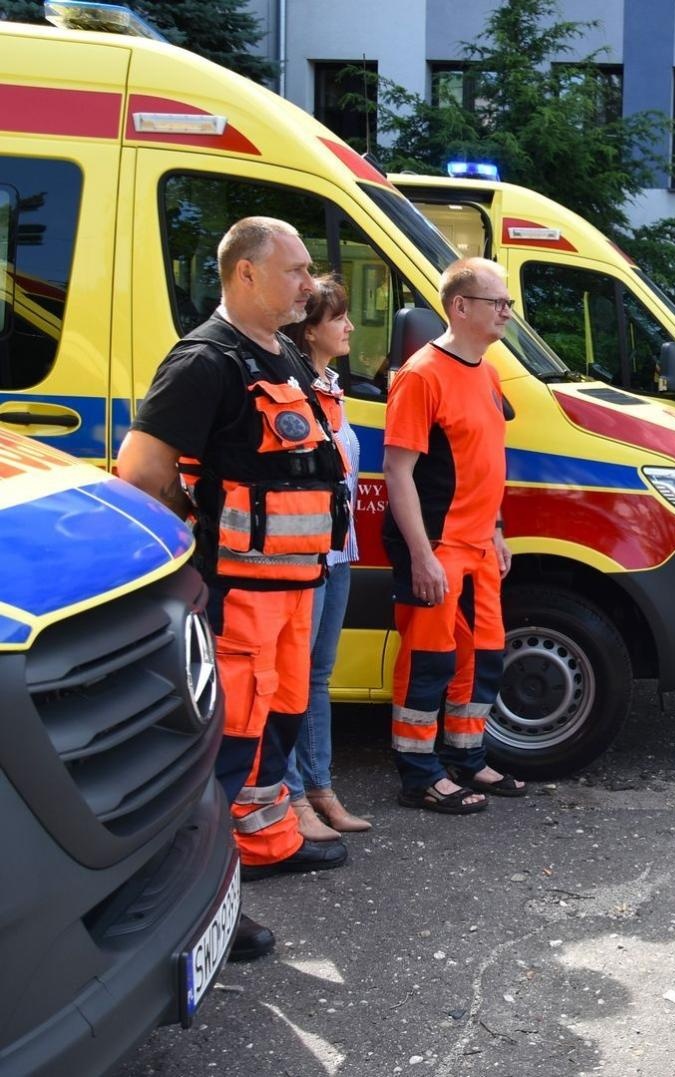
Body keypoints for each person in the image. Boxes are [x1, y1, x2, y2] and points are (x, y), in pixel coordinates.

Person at [116, 217, 351, 963]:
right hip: (237, 602)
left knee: (271, 737)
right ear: (245, 274)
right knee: (224, 755)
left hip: (290, 593)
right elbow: (141, 473)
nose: (309, 284)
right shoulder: (204, 361)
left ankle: (267, 843)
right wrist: (201, 548)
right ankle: (206, 904)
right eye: (295, 270)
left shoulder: (281, 352)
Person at [384, 256, 524, 812]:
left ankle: (466, 758)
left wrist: (497, 530)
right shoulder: (421, 375)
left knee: (483, 655)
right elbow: (398, 472)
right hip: (437, 545)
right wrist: (421, 556)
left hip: (478, 544)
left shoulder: (486, 371)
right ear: (460, 306)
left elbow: (484, 460)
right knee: (429, 659)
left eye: (508, 303)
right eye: (498, 302)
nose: (507, 312)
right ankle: (419, 775)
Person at [281, 276, 371, 839]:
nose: (350, 327)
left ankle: (319, 788)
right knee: (293, 677)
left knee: (318, 675)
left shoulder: (330, 386)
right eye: (339, 318)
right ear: (309, 330)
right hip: (306, 552)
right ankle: (292, 798)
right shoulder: (292, 387)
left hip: (338, 551)